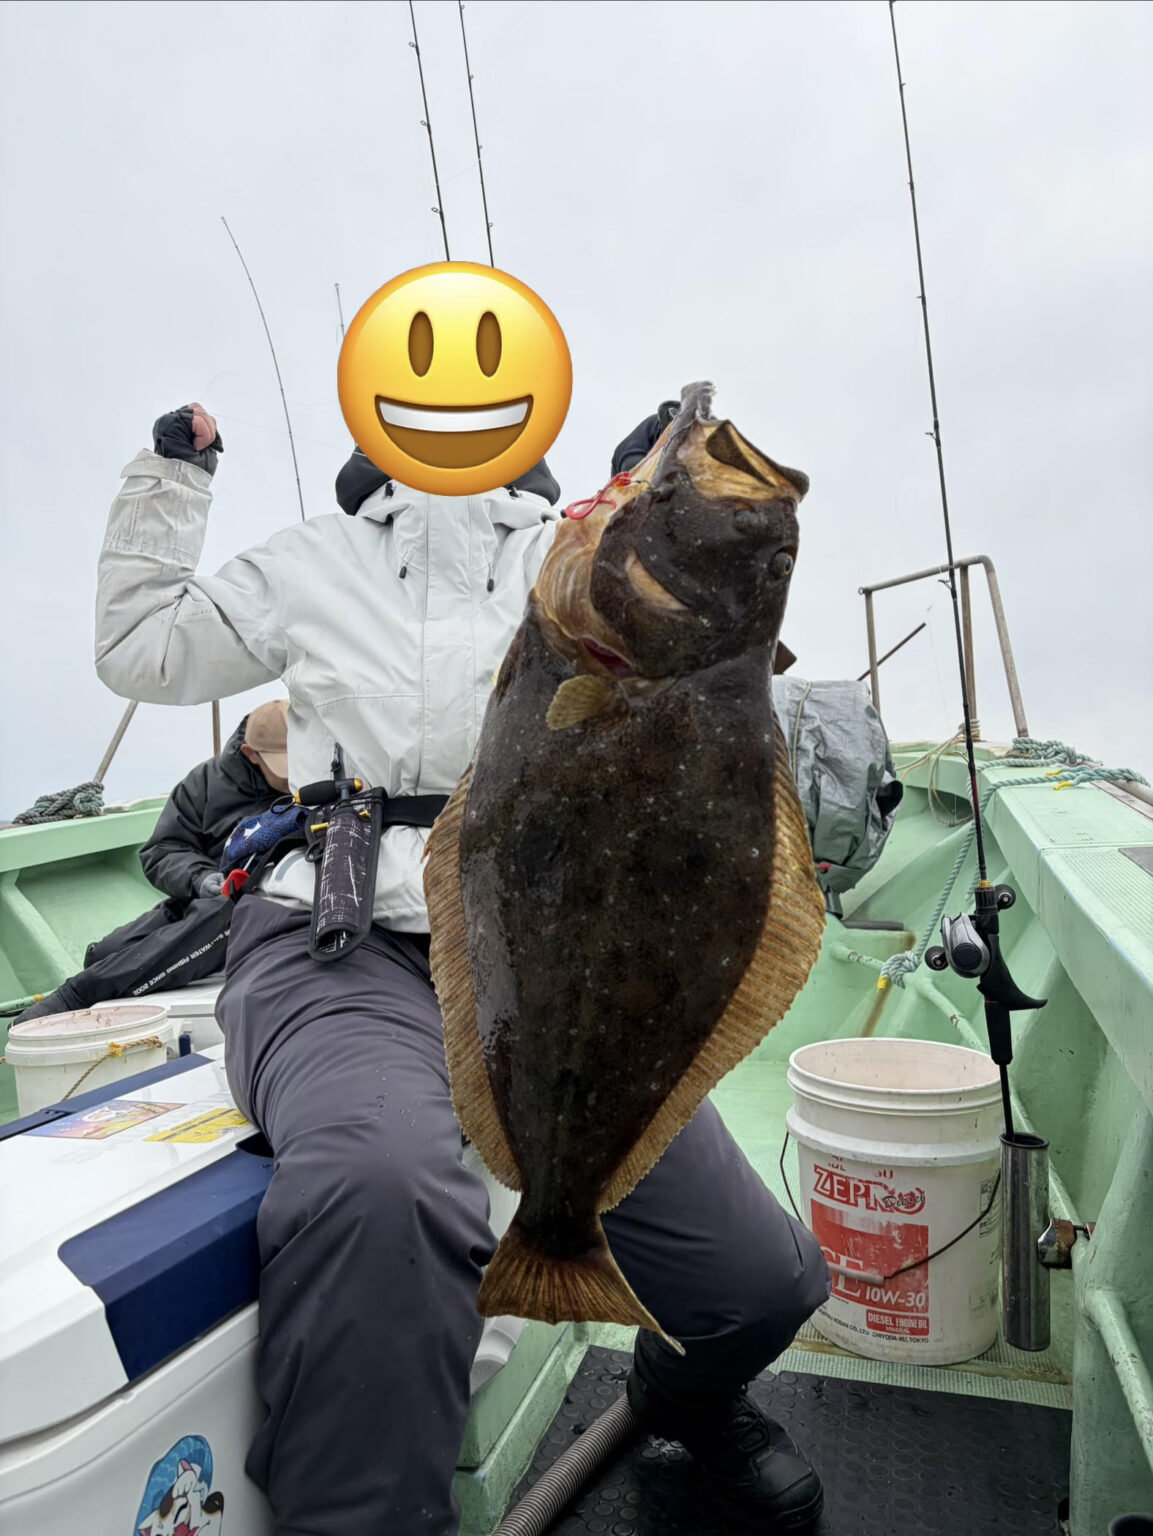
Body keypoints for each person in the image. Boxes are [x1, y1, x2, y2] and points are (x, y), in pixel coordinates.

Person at [92, 401, 830, 1536]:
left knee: (757, 1283)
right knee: (387, 1188)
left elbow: (701, 657)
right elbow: (140, 649)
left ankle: (681, 1400)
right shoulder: (311, 561)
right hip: (341, 941)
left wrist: (647, 499)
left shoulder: (571, 559)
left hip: (554, 953)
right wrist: (170, 479)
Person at [13, 702, 289, 1023]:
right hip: (207, 895)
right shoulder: (205, 782)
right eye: (283, 766)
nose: (292, 774)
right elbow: (163, 849)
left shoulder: (315, 780)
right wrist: (200, 879)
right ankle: (100, 977)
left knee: (226, 915)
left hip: (254, 905)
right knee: (104, 954)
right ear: (250, 753)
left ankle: (78, 995)